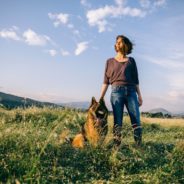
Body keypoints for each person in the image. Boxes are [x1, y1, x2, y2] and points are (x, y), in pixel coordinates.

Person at [100, 35, 143, 146]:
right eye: (116, 42)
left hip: (131, 92)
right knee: (117, 122)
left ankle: (139, 146)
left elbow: (136, 80)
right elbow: (105, 81)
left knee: (136, 120)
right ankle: (116, 147)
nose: (117, 43)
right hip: (116, 93)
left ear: (126, 45)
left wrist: (140, 95)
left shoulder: (131, 61)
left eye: (120, 42)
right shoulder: (109, 61)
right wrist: (100, 98)